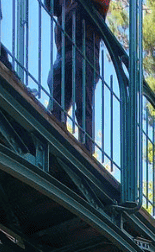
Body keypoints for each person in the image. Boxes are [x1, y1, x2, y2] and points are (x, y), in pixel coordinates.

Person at [47, 0, 110, 154]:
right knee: (56, 87)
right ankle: (54, 129)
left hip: (85, 48)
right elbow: (52, 7)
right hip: (64, 49)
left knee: (82, 100)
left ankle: (87, 146)